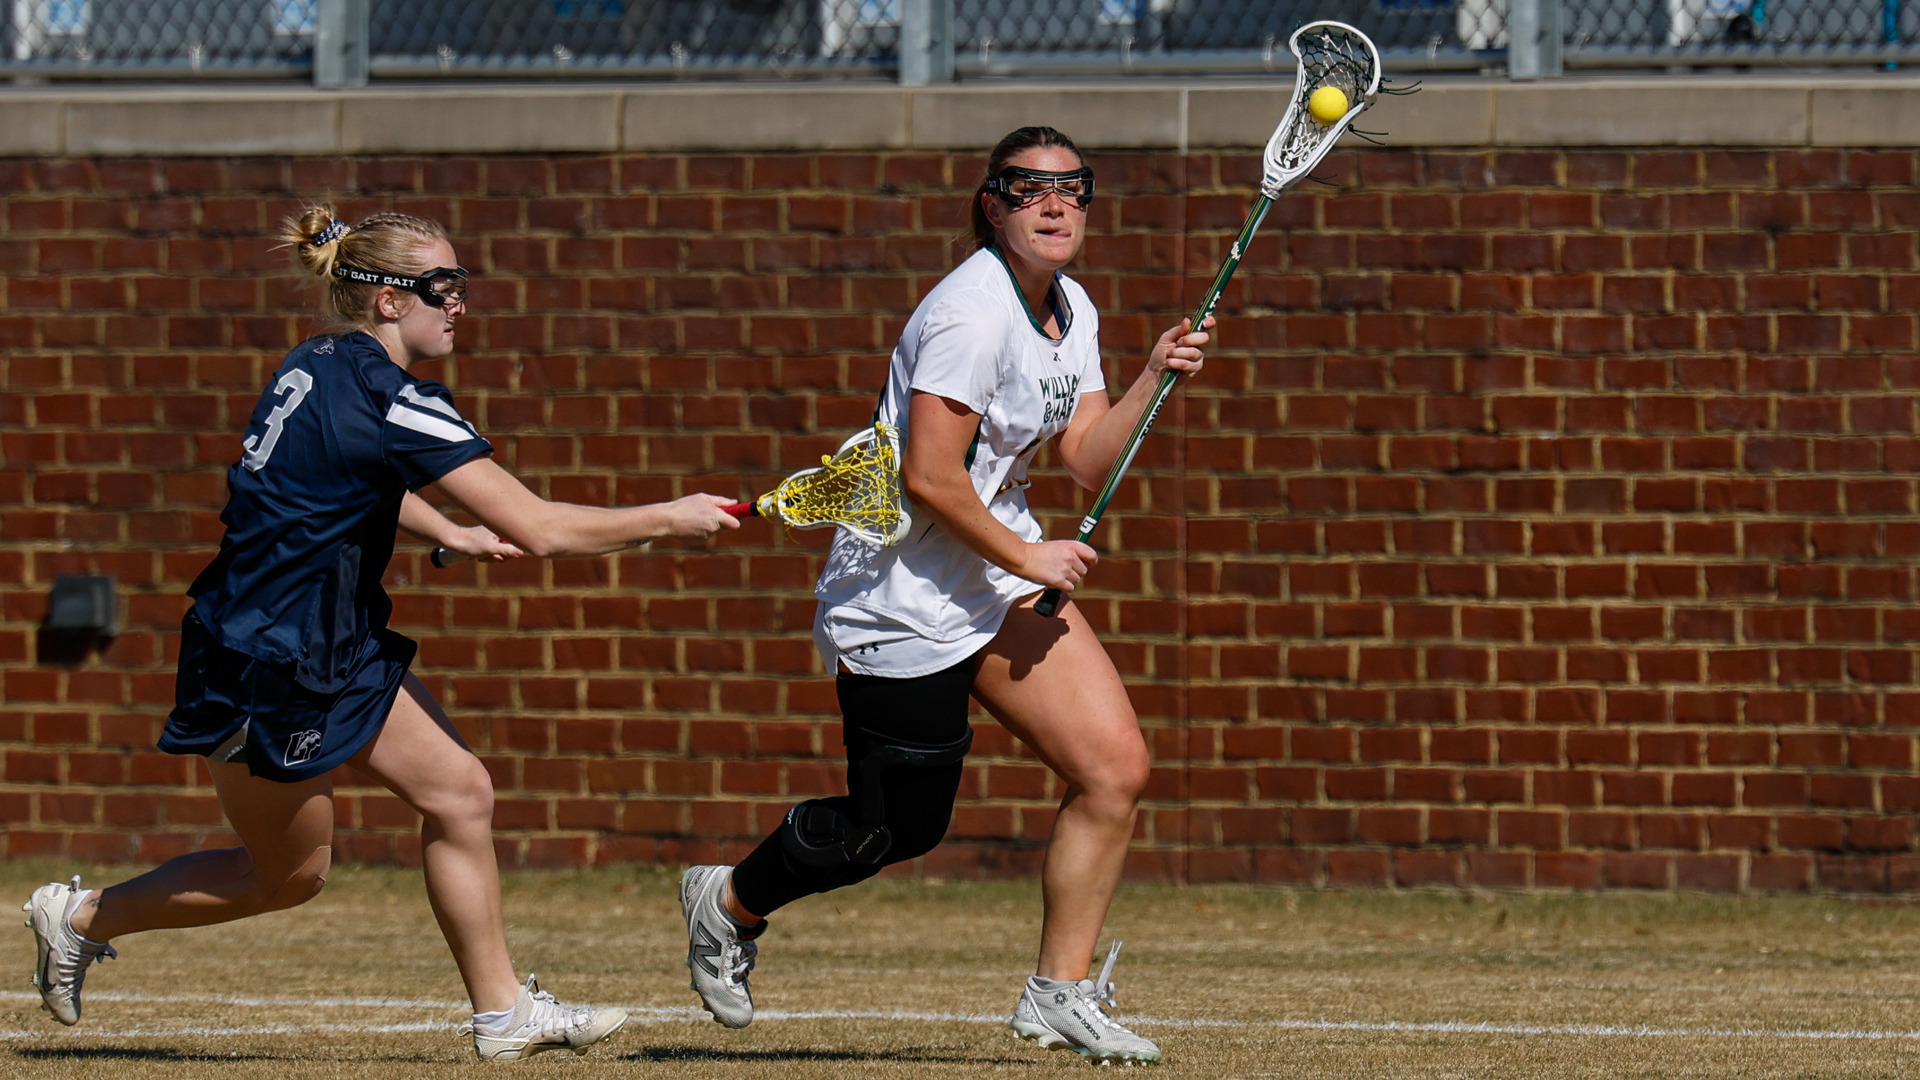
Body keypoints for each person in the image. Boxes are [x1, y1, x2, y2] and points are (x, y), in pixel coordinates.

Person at [22, 206, 740, 1061]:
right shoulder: (394, 396)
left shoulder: (320, 361)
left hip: (332, 642)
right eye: (442, 286)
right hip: (266, 660)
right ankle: (80, 917)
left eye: (461, 283)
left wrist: (450, 532)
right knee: (288, 878)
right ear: (386, 301)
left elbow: (345, 480)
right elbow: (542, 526)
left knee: (462, 793)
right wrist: (673, 514)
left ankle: (503, 1014)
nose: (459, 302)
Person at [677, 126, 1210, 1065]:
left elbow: (1086, 460)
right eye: (1029, 188)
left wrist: (1149, 377)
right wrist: (1032, 556)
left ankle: (1059, 992)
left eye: (1073, 189)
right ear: (992, 205)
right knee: (895, 830)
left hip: (995, 573)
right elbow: (929, 475)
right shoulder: (970, 314)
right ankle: (728, 902)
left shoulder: (1071, 307)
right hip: (901, 596)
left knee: (1113, 770)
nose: (1055, 205)